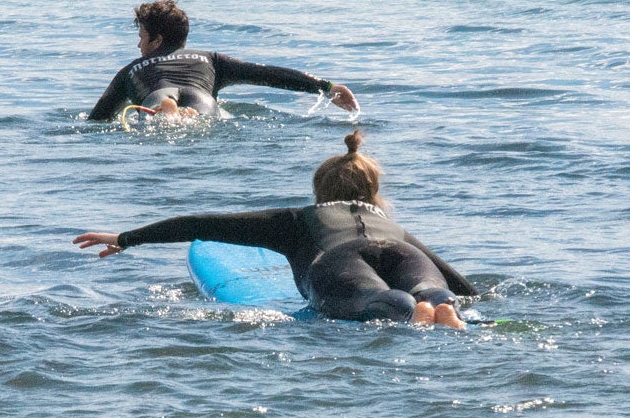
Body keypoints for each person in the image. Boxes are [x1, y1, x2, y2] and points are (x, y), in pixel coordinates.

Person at [75, 131, 475, 328]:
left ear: (320, 191)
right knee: (436, 292)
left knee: (380, 303)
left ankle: (413, 315)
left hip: (337, 261)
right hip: (405, 255)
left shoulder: (297, 220)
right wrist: (476, 299)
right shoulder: (391, 223)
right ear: (373, 192)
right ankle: (440, 309)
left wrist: (127, 238)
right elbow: (455, 277)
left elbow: (203, 224)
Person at [87, 0, 360, 122]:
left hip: (155, 95)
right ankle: (185, 112)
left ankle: (168, 108)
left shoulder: (130, 70)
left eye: (142, 37)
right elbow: (268, 74)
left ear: (157, 40)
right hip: (201, 96)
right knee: (200, 120)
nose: (138, 44)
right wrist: (326, 86)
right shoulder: (212, 60)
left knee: (160, 121)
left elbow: (97, 120)